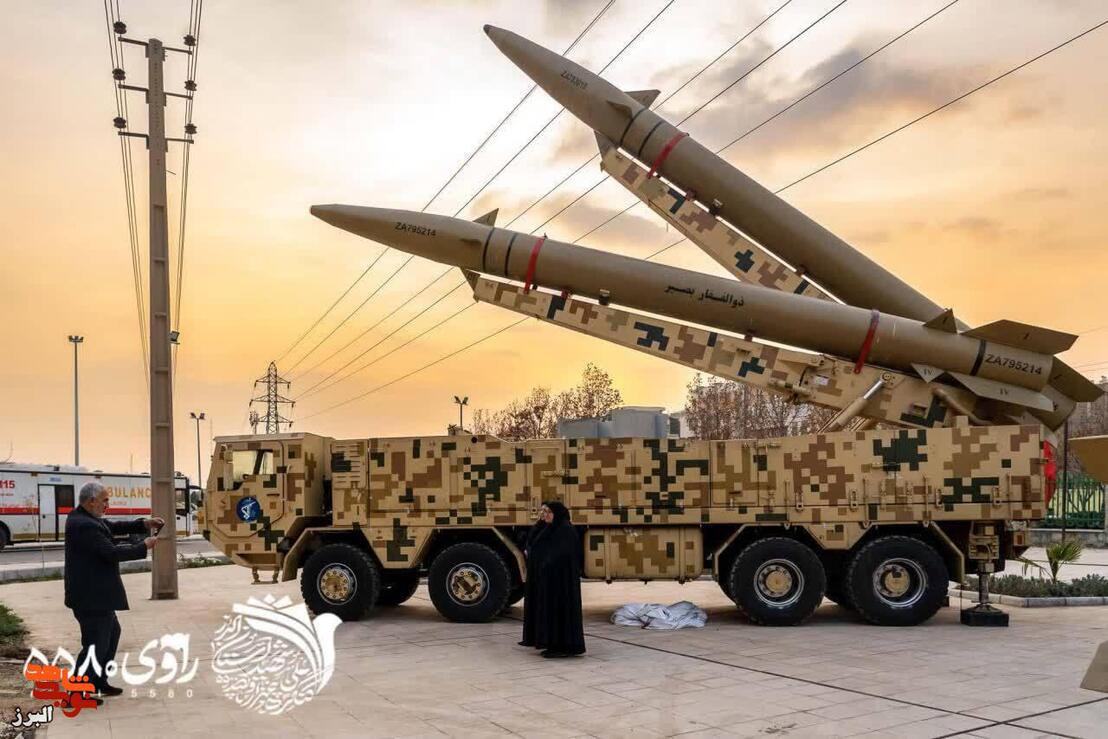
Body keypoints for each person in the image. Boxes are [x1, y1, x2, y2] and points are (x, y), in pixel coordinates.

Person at [65, 481, 162, 697]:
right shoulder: (84, 524)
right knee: (95, 644)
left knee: (110, 635)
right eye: (105, 500)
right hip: (91, 597)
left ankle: (98, 682)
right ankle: (76, 692)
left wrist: (144, 523)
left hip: (98, 596)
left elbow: (114, 526)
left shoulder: (86, 518)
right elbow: (111, 553)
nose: (107, 505)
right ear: (92, 501)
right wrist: (143, 546)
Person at [520, 501, 585, 658]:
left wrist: (546, 563)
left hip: (560, 583)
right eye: (544, 511)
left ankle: (561, 646)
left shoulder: (566, 530)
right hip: (549, 581)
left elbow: (562, 555)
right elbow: (536, 541)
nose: (545, 515)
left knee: (559, 614)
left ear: (558, 514)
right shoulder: (550, 528)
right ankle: (550, 643)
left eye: (549, 512)